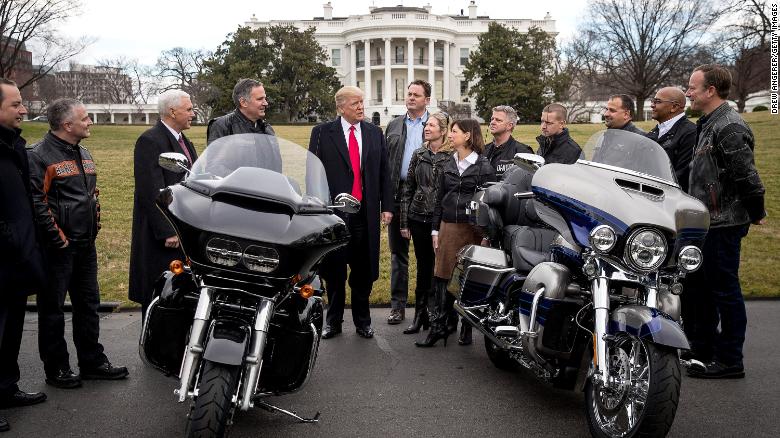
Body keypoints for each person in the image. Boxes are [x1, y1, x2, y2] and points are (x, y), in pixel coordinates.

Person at [28, 99, 128, 389]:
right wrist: (58, 238)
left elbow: (90, 193)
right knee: (53, 309)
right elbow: (37, 202)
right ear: (67, 124)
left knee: (88, 304)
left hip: (85, 245)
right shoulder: (38, 155)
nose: (90, 122)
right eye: (85, 119)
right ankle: (57, 368)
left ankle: (92, 361)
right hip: (57, 248)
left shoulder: (83, 152)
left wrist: (94, 223)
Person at [683, 64, 766, 379]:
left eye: (692, 87)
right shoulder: (708, 124)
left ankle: (730, 360)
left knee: (723, 291)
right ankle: (703, 351)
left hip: (723, 224)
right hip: (704, 223)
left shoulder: (729, 126)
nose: (688, 92)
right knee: (699, 290)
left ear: (710, 90)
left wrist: (756, 212)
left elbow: (748, 177)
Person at [308, 86, 393, 339]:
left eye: (362, 102)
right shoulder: (322, 133)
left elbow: (383, 173)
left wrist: (387, 206)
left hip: (364, 215)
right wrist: (316, 209)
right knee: (334, 271)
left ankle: (363, 321)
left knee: (363, 271)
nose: (360, 107)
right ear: (341, 107)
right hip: (334, 216)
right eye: (355, 103)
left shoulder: (374, 133)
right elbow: (313, 174)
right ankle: (332, 321)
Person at [416, 119, 496, 347]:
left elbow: (489, 204)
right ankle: (439, 328)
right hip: (448, 227)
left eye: (454, 131)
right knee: (442, 277)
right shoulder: (447, 164)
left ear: (468, 135)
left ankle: (466, 328)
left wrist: (486, 235)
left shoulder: (483, 166)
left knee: (468, 279)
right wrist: (434, 229)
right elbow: (439, 200)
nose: (450, 135)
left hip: (473, 229)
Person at [0, 78, 47, 433]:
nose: (24, 109)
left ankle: (6, 387)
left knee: (11, 328)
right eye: (16, 104)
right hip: (3, 255)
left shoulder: (14, 147)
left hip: (17, 258)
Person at [128, 90, 197, 316]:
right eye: (188, 109)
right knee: (158, 294)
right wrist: (168, 230)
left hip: (183, 231)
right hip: (162, 236)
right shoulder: (150, 140)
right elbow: (150, 190)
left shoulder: (184, 140)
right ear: (172, 111)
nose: (193, 114)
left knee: (178, 297)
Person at [398, 112, 452, 335]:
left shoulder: (451, 156)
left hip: (441, 220)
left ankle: (439, 314)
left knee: (441, 269)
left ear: (443, 130)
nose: (426, 128)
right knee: (423, 266)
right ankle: (420, 315)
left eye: (431, 125)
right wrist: (404, 222)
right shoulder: (419, 154)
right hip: (418, 217)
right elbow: (407, 188)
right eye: (426, 125)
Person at [384, 80, 430, 325]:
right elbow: (385, 164)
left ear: (427, 100)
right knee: (398, 254)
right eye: (409, 93)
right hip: (398, 193)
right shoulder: (393, 125)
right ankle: (397, 306)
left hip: (426, 195)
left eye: (416, 94)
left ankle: (428, 307)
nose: (410, 97)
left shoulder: (437, 124)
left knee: (428, 255)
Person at [646, 87, 696, 192]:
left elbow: (682, 174)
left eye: (657, 101)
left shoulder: (690, 133)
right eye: (653, 101)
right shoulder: (653, 133)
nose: (652, 105)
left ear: (674, 107)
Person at [207, 78, 275, 144]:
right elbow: (216, 155)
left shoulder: (266, 129)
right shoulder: (222, 126)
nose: (266, 103)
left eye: (265, 99)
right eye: (260, 99)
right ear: (243, 102)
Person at [484, 105, 533, 179]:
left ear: (509, 126)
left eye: (498, 120)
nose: (492, 122)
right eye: (492, 119)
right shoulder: (483, 150)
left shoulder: (522, 152)